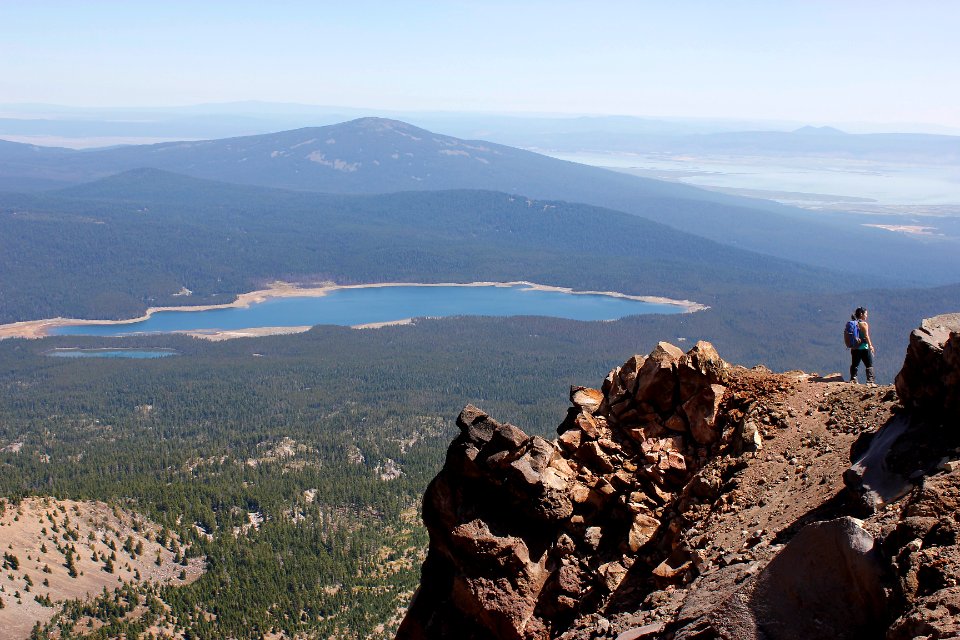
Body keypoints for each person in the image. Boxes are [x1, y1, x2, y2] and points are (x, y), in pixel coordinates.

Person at [849, 307, 876, 386]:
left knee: (854, 364)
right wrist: (870, 345)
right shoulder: (864, 324)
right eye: (866, 314)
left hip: (854, 348)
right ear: (861, 314)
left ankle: (853, 379)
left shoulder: (852, 323)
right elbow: (866, 336)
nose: (866, 316)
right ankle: (870, 381)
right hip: (864, 347)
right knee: (869, 364)